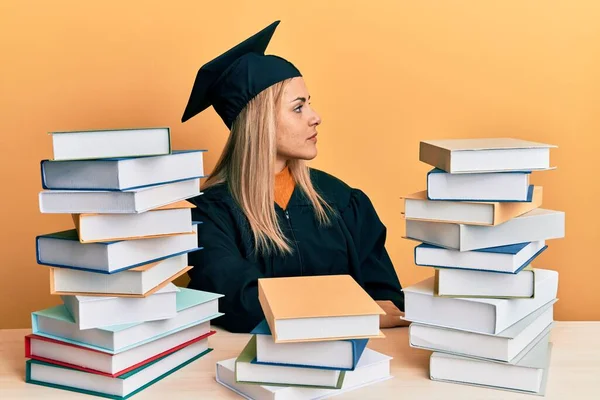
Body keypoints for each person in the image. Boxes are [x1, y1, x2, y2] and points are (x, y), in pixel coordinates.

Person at [181, 20, 408, 333]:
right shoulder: (209, 214)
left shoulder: (341, 200)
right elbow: (237, 301)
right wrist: (350, 309)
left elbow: (386, 300)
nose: (316, 118)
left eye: (309, 104)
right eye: (298, 108)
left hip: (355, 362)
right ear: (259, 122)